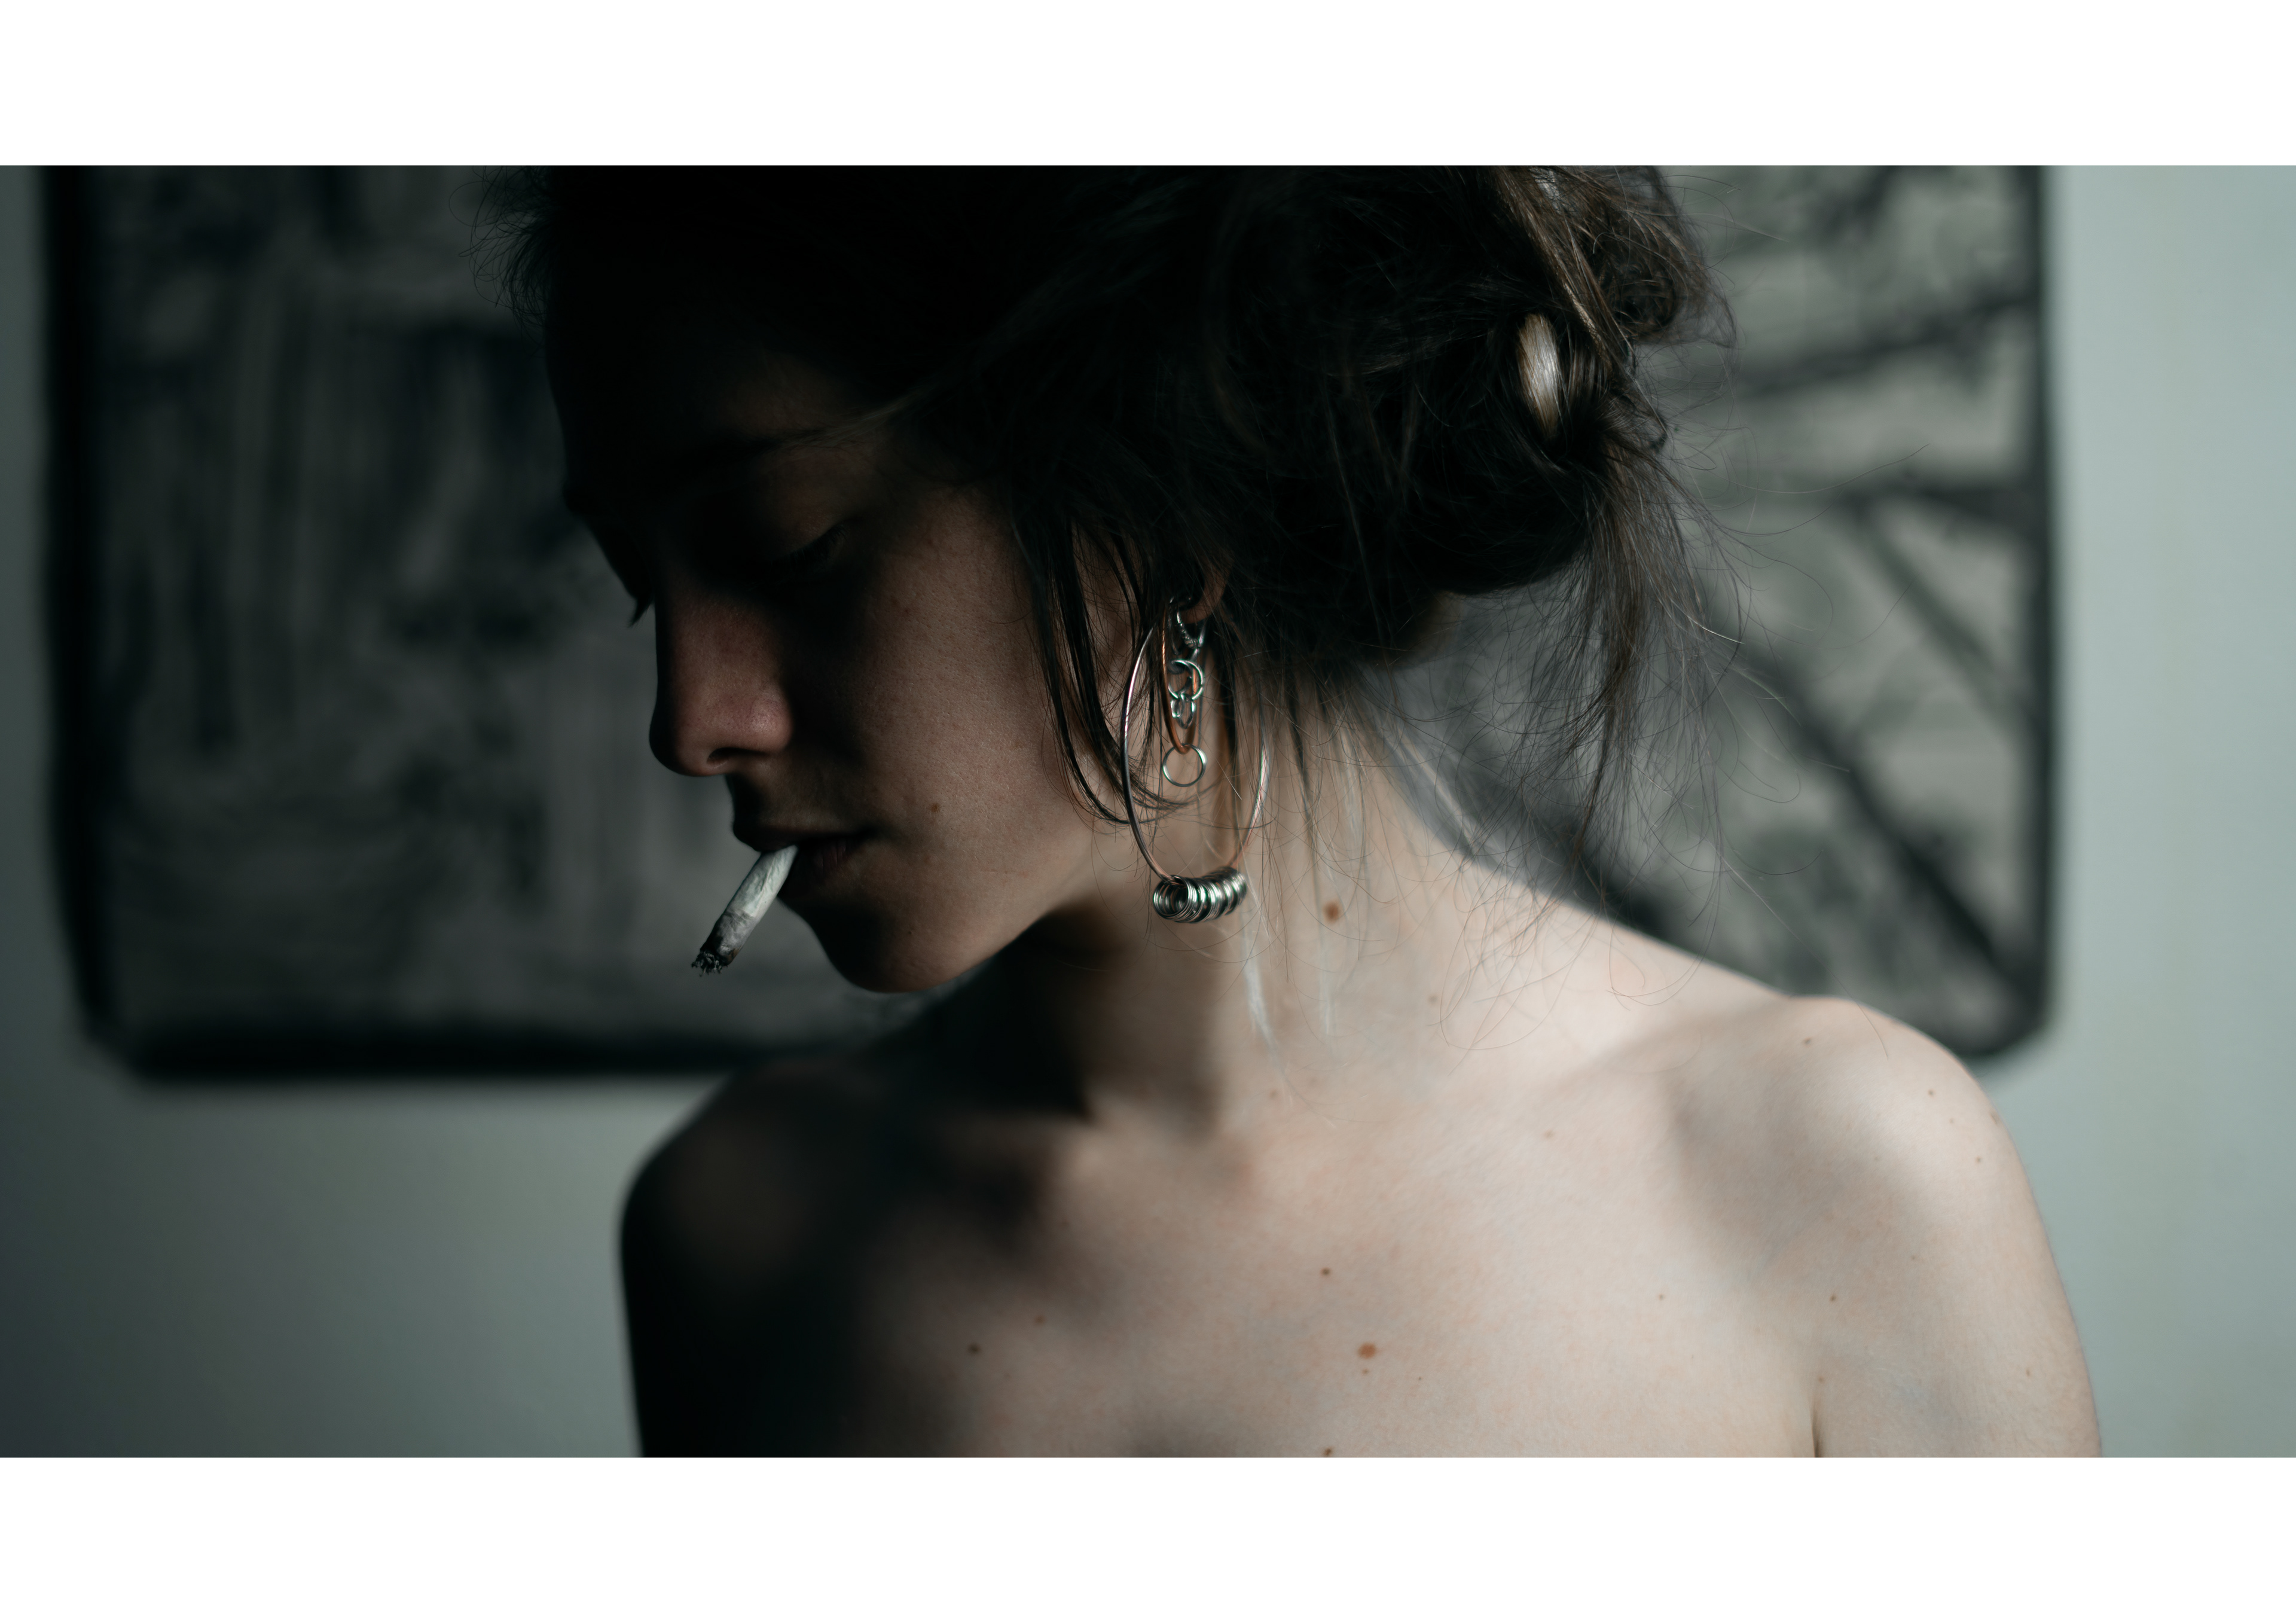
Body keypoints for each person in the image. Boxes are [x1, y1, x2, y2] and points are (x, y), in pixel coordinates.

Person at [502, 167, 2097, 1455]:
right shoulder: (739, 1239)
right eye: (643, 586)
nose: (690, 722)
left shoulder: (1837, 1182)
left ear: (1159, 494)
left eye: (784, 546)